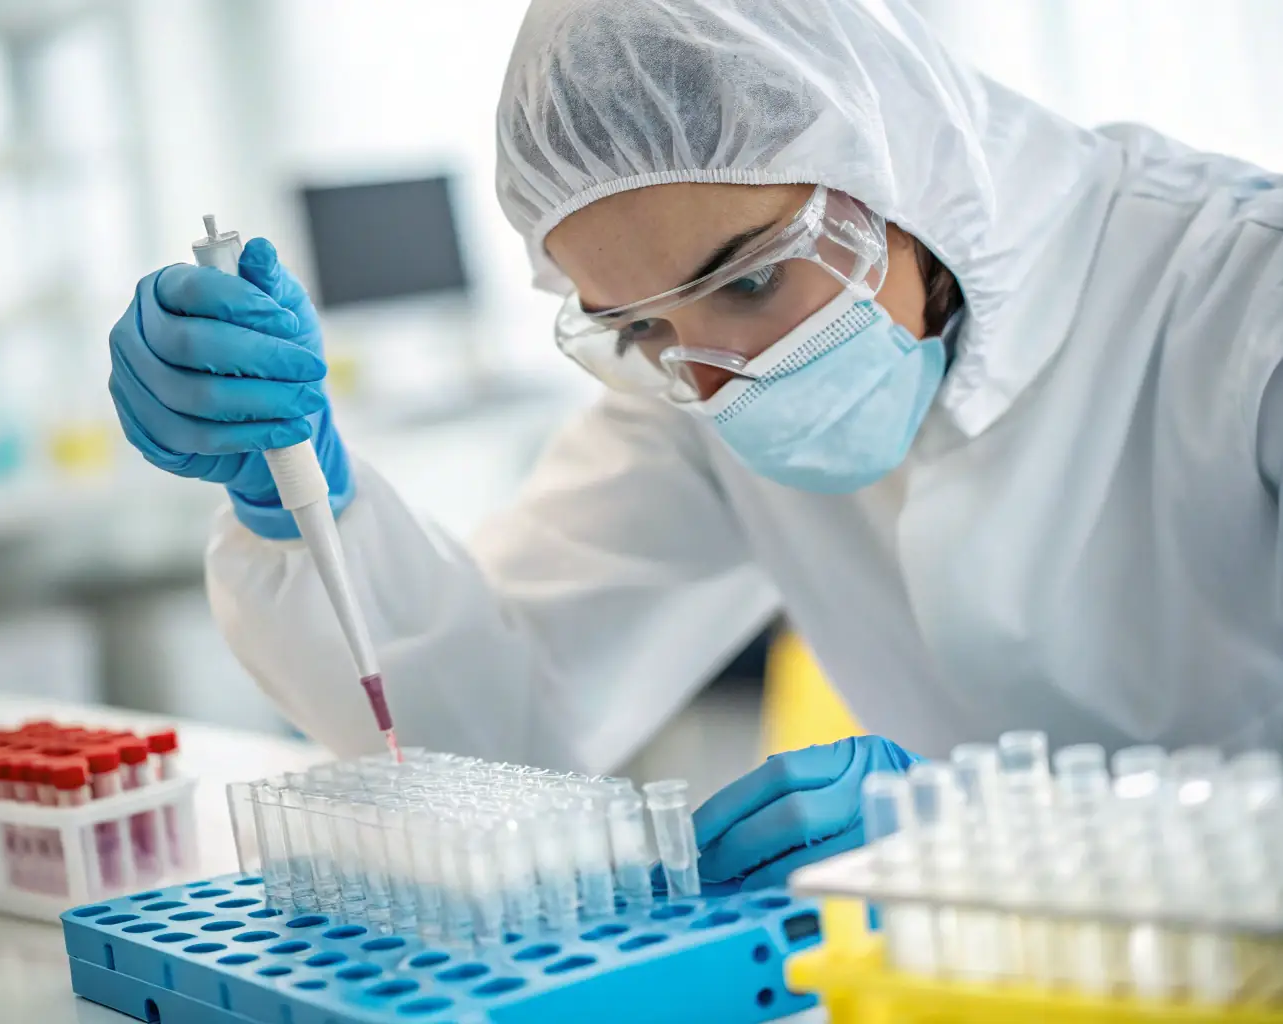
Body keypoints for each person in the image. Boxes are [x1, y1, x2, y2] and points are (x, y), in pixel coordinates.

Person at [107, 0, 1283, 890]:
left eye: (754, 279)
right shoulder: (697, 397)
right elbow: (497, 725)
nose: (720, 380)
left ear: (904, 169)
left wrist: (1015, 833)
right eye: (644, 329)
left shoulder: (1244, 303)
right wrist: (307, 508)